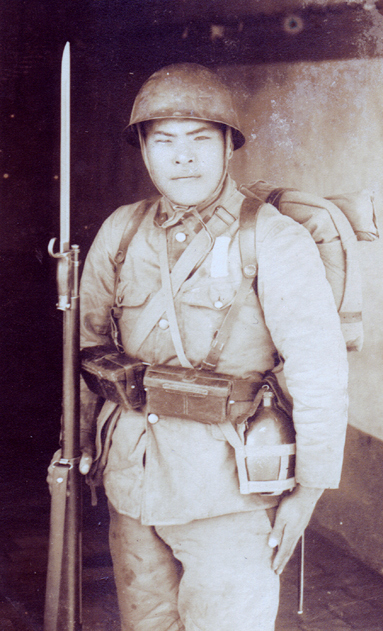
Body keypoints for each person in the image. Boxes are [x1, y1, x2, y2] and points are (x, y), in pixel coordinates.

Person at [49, 63, 348, 631]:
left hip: (227, 494)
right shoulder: (122, 231)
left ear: (229, 147)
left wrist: (309, 490)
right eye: (163, 141)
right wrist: (81, 442)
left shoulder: (273, 238)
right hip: (132, 482)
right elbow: (86, 350)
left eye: (199, 140)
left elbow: (320, 370)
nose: (182, 157)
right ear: (143, 149)